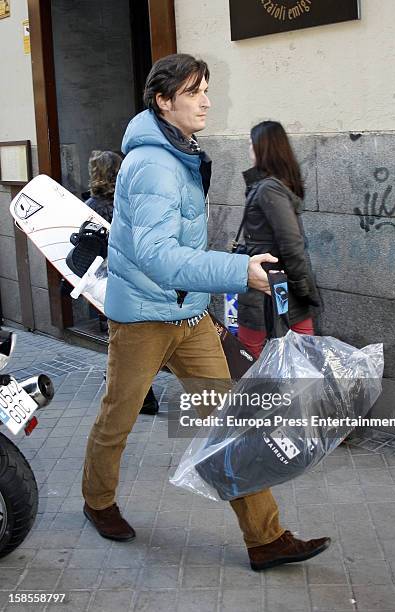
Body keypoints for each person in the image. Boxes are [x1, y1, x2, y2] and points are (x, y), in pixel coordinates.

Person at [82, 54, 330, 571]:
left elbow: (183, 246)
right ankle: (98, 501)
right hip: (142, 319)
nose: (207, 101)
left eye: (207, 90)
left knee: (231, 420)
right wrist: (239, 273)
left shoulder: (179, 151)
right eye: (194, 92)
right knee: (119, 417)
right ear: (163, 101)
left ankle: (265, 538)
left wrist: (219, 283)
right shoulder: (151, 162)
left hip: (189, 316)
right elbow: (158, 255)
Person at [237, 121, 320, 358]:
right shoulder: (269, 187)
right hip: (274, 281)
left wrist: (303, 288)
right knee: (299, 347)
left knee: (249, 351)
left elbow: (291, 242)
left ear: (263, 149)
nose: (248, 150)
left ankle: (262, 394)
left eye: (251, 144)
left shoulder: (267, 189)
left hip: (267, 281)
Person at [86, 150, 160, 415]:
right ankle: (134, 390)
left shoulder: (93, 207)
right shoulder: (127, 202)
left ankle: (140, 395)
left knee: (122, 339)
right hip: (129, 279)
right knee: (126, 337)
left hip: (109, 282)